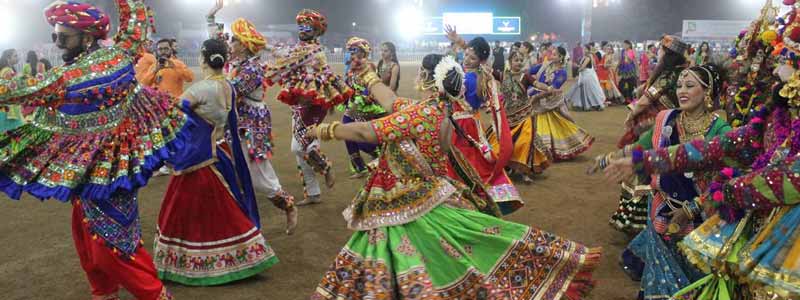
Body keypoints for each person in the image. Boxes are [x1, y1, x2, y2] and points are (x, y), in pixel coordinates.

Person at [309, 54, 600, 299]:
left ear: (425, 79)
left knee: (409, 262)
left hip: (403, 207)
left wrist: (322, 130)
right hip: (428, 198)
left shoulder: (419, 115)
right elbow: (391, 101)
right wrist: (370, 77)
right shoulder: (438, 110)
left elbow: (365, 131)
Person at [0, 1, 180, 298]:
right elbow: (135, 19)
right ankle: (107, 293)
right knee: (89, 243)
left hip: (104, 173)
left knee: (113, 251)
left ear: (86, 38)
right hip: (102, 168)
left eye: (63, 37)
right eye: (55, 36)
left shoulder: (79, 74)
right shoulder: (120, 53)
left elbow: (24, 88)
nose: (57, 43)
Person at [593, 64, 730, 300]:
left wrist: (693, 207)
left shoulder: (721, 130)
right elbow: (643, 148)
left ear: (707, 92)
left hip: (700, 216)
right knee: (661, 272)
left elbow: (726, 178)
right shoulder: (666, 119)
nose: (681, 91)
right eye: (679, 86)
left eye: (690, 86)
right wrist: (611, 158)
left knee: (694, 273)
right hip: (660, 208)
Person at [153, 38, 278, 286]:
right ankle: (242, 255)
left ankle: (193, 262)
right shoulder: (228, 86)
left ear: (202, 59)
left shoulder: (200, 90)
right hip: (221, 155)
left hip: (197, 159)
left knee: (186, 213)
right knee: (224, 209)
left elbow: (170, 114)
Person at [207, 0, 298, 233]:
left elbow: (232, 91)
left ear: (245, 45)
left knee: (257, 174)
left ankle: (287, 204)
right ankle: (238, 224)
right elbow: (216, 43)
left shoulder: (252, 68)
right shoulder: (236, 62)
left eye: (235, 40)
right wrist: (211, 16)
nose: (231, 42)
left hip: (250, 123)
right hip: (235, 121)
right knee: (231, 169)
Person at [266, 8, 352, 205]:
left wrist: (261, 45)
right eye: (301, 26)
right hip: (300, 105)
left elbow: (285, 56)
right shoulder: (303, 48)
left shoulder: (311, 50)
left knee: (299, 146)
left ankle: (325, 167)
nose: (303, 30)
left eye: (308, 27)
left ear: (316, 31)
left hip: (312, 105)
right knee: (301, 150)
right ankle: (313, 193)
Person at [444, 26, 522, 215]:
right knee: (466, 160)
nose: (466, 59)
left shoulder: (473, 78)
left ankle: (467, 199)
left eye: (471, 57)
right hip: (465, 122)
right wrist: (459, 40)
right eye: (466, 54)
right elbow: (469, 51)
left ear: (480, 61)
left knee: (462, 160)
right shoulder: (479, 73)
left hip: (463, 126)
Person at [488, 50, 551, 184]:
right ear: (510, 62)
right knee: (504, 144)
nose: (519, 62)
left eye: (521, 60)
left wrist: (547, 88)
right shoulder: (503, 75)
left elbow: (537, 84)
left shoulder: (526, 76)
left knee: (525, 142)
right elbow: (487, 68)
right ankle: (507, 166)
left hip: (525, 114)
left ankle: (524, 172)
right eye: (516, 60)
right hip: (507, 117)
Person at [529, 47, 594, 160]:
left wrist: (537, 96)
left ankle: (551, 150)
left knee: (559, 124)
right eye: (551, 53)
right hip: (537, 99)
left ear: (560, 58)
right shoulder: (544, 66)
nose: (551, 56)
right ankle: (536, 150)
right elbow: (530, 72)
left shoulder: (562, 73)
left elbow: (553, 89)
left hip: (551, 102)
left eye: (554, 54)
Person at [340, 37, 385, 178]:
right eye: (350, 50)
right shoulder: (351, 66)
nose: (352, 53)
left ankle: (377, 154)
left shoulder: (369, 65)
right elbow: (349, 85)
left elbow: (371, 84)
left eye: (355, 50)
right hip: (352, 105)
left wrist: (361, 99)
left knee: (355, 134)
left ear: (363, 51)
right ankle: (361, 166)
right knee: (347, 132)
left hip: (365, 106)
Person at [567, 44, 606, 111]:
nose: (584, 50)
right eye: (583, 49)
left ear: (588, 50)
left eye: (585, 49)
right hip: (585, 75)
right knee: (587, 91)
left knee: (589, 91)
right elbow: (583, 66)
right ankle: (589, 104)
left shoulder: (588, 57)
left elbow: (582, 67)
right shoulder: (585, 57)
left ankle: (595, 104)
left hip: (587, 76)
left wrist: (577, 68)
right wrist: (578, 66)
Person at [0, 49, 23, 132]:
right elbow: (13, 88)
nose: (18, 58)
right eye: (15, 56)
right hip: (9, 109)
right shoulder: (7, 71)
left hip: (7, 106)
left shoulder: (7, 69)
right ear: (8, 58)